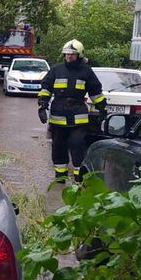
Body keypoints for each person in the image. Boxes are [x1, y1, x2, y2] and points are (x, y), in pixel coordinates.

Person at [37, 39, 107, 182]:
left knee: (77, 146)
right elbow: (46, 88)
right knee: (58, 147)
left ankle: (78, 177)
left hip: (78, 118)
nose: (68, 56)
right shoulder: (56, 70)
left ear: (79, 55)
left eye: (72, 54)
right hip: (58, 117)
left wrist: (102, 109)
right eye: (66, 54)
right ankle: (60, 177)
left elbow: (95, 92)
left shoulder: (86, 71)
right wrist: (42, 106)